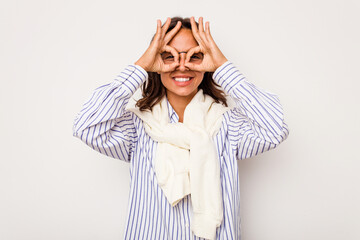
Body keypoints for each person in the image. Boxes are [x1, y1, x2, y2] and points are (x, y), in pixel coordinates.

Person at [73, 16, 289, 240]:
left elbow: (274, 129)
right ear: (157, 62)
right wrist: (140, 67)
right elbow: (86, 127)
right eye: (170, 56)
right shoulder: (136, 128)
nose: (182, 65)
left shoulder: (227, 125)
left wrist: (224, 68)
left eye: (194, 56)